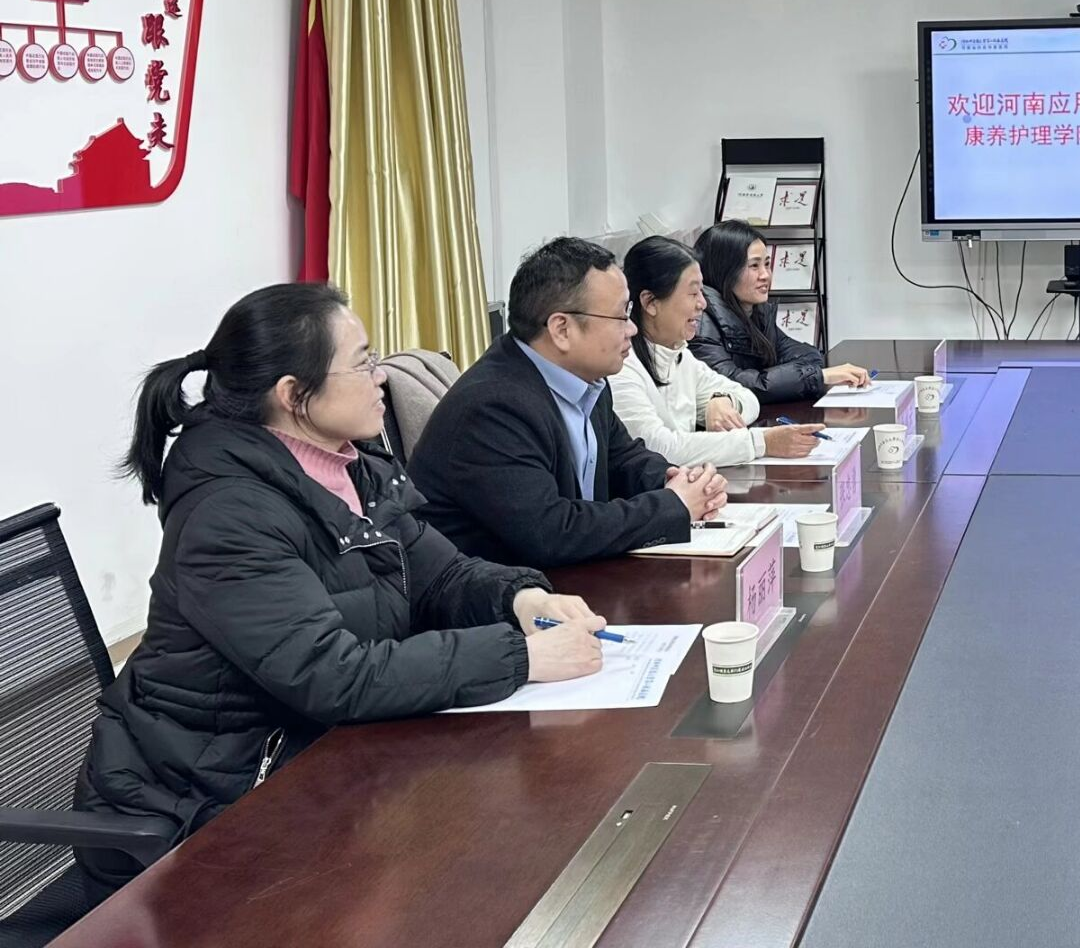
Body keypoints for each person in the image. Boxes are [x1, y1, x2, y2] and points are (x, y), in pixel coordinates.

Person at [72, 283, 607, 905]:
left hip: (317, 764)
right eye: (362, 362)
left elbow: (441, 575)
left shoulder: (351, 467)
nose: (380, 377)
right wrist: (520, 657)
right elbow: (333, 675)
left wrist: (522, 601)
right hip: (198, 815)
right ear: (293, 395)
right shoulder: (227, 514)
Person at [411, 237, 728, 567]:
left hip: (577, 579)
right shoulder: (492, 407)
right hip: (506, 592)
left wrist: (673, 479)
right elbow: (551, 532)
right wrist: (673, 506)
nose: (632, 329)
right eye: (621, 316)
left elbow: (621, 458)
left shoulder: (588, 380)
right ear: (561, 329)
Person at [610, 236, 823, 465]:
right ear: (650, 302)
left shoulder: (680, 354)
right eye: (693, 293)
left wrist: (722, 399)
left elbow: (748, 398)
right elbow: (659, 448)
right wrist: (761, 443)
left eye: (702, 292)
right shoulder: (621, 368)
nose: (702, 303)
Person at [690, 220, 871, 400]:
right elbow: (734, 386)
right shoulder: (699, 324)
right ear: (723, 270)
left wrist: (778, 379)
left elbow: (807, 355)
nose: (765, 275)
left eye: (767, 264)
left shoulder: (756, 313)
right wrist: (818, 377)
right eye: (754, 266)